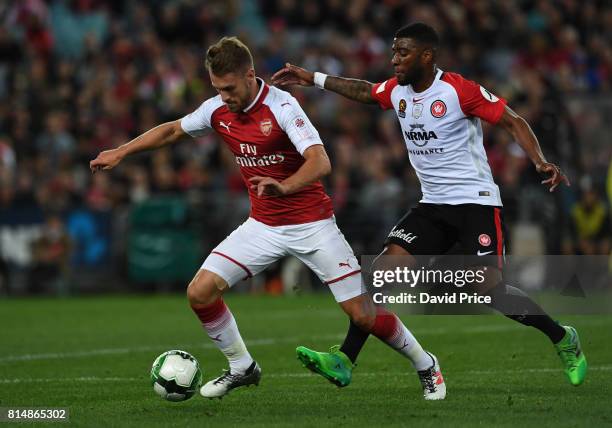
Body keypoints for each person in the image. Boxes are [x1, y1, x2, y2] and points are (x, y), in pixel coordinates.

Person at [90, 36, 446, 400]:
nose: (224, 96)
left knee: (363, 314)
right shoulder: (217, 110)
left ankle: (425, 364)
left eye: (229, 88)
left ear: (250, 75)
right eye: (217, 88)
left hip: (313, 226)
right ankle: (242, 367)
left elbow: (321, 161)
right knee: (199, 292)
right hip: (263, 226)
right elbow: (172, 130)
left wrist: (284, 186)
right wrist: (122, 151)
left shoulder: (282, 107)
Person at [272, 22, 587, 387]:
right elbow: (364, 91)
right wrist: (314, 78)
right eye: (393, 52)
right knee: (380, 274)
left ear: (426, 55)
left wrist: (539, 160)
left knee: (489, 290)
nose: (394, 60)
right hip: (432, 205)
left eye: (402, 53)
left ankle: (562, 337)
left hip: (475, 204)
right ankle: (344, 359)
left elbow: (513, 122)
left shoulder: (458, 90)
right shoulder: (398, 92)